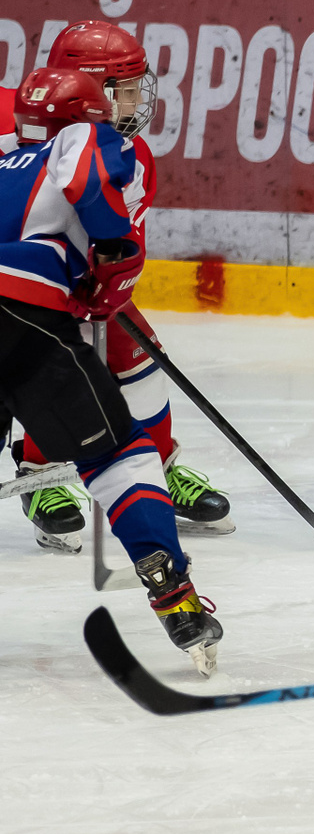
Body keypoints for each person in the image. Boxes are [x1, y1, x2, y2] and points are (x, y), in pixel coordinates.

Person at [2, 69, 221, 671]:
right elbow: (86, 172)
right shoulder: (78, 138)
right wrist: (113, 249)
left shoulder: (4, 165)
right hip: (17, 313)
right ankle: (175, 598)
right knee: (120, 454)